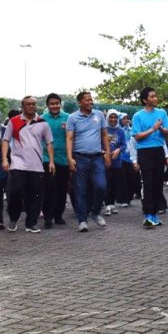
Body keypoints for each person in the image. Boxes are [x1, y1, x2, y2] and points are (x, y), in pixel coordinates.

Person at [2, 96, 54, 233]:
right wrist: (4, 159)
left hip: (36, 165)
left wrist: (52, 161)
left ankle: (31, 222)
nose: (31, 106)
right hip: (18, 164)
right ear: (23, 106)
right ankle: (13, 218)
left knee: (35, 195)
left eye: (33, 104)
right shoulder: (14, 122)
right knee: (15, 192)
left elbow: (49, 143)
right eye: (28, 104)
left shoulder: (43, 123)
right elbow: (6, 140)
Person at [66, 91, 110, 232]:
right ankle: (82, 220)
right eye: (87, 100)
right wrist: (69, 158)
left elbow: (104, 135)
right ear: (80, 102)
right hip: (80, 158)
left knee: (101, 186)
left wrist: (107, 153)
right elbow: (69, 138)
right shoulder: (73, 118)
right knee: (80, 190)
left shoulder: (99, 115)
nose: (90, 102)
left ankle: (95, 213)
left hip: (97, 157)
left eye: (91, 100)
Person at [131, 87, 168, 228]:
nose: (155, 98)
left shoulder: (162, 113)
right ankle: (148, 215)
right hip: (144, 152)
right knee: (147, 183)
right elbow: (137, 137)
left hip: (158, 151)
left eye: (155, 95)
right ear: (145, 100)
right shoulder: (138, 116)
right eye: (152, 96)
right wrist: (152, 129)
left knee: (158, 184)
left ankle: (154, 214)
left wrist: (160, 128)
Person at [41, 93, 70, 228]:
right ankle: (48, 216)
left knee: (62, 188)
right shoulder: (41, 119)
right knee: (48, 188)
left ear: (60, 104)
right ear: (48, 105)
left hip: (63, 159)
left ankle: (58, 215)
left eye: (57, 103)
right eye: (52, 104)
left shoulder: (67, 118)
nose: (55, 106)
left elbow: (71, 137)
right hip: (46, 158)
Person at [103, 110, 127, 215]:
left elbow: (124, 145)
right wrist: (105, 153)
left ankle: (112, 205)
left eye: (115, 117)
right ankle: (107, 204)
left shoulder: (120, 131)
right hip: (105, 161)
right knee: (106, 183)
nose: (113, 119)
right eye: (111, 117)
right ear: (107, 118)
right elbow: (99, 144)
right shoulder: (103, 130)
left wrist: (118, 150)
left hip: (117, 162)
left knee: (115, 183)